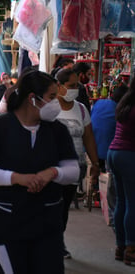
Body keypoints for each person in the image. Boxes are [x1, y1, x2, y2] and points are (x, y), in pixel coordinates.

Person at [0, 70, 79, 273]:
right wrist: (16, 178)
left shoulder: (57, 131)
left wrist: (53, 173)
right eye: (52, 97)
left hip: (47, 223)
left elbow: (73, 170)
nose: (57, 102)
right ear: (33, 99)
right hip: (6, 222)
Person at [55, 68, 100, 258]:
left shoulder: (80, 109)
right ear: (59, 86)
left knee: (64, 207)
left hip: (74, 168)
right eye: (71, 86)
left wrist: (95, 164)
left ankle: (58, 243)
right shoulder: (49, 107)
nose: (74, 89)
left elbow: (88, 137)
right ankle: (48, 242)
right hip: (51, 168)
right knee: (51, 206)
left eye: (77, 86)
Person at [107, 77, 135, 265]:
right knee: (132, 202)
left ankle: (120, 246)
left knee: (122, 201)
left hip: (114, 153)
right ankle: (131, 248)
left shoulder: (125, 102)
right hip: (128, 155)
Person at [91, 85, 127, 227]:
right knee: (117, 187)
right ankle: (113, 215)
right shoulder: (121, 110)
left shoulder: (99, 103)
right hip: (110, 152)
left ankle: (96, 193)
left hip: (93, 150)